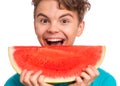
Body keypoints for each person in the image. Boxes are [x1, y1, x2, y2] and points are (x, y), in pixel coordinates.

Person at [5, 0, 116, 86]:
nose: (53, 29)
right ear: (35, 26)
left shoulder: (104, 81)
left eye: (64, 21)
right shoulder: (13, 83)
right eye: (44, 21)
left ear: (79, 28)